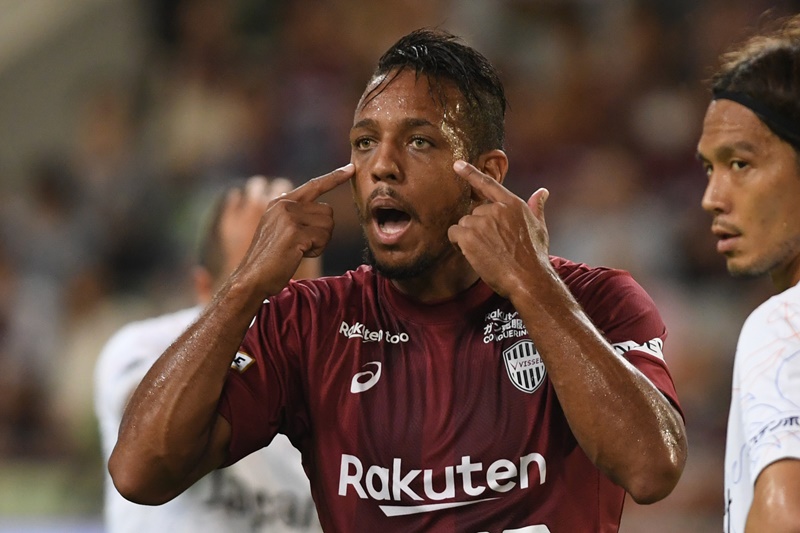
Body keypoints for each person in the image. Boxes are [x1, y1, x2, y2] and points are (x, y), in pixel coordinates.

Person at [109, 29, 687, 532]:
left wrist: (534, 286)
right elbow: (138, 473)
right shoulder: (309, 323)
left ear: (486, 175)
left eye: (418, 141)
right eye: (365, 143)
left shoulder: (597, 300)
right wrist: (244, 288)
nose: (382, 165)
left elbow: (652, 468)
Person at [94, 177, 323, 532]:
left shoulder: (345, 369)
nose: (282, 313)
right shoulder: (144, 346)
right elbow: (148, 441)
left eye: (299, 287)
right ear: (205, 288)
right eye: (264, 290)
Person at [697, 14, 800, 533]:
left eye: (740, 163)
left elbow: (785, 518)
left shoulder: (782, 325)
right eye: (708, 168)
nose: (712, 198)